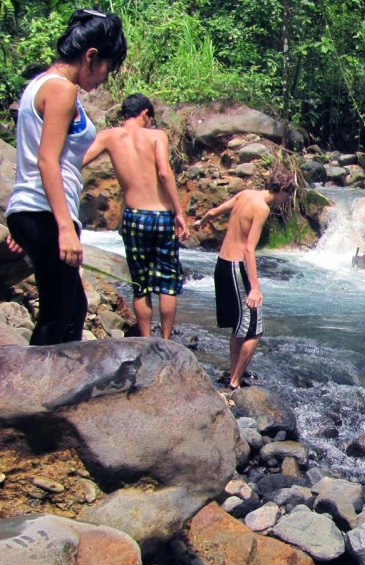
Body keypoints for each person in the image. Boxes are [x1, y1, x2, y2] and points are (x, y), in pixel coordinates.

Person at [4, 9, 127, 345]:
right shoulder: (62, 89)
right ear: (91, 56)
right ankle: (33, 393)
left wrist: (26, 222)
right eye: (107, 68)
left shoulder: (39, 86)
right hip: (45, 213)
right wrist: (61, 229)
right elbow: (46, 161)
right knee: (59, 313)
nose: (105, 78)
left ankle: (56, 390)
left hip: (36, 212)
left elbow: (41, 157)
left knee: (72, 309)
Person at [82, 93, 189, 339]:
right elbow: (164, 172)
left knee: (141, 284)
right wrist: (178, 212)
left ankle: (144, 339)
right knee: (167, 281)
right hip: (161, 216)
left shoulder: (107, 136)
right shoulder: (156, 136)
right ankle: (165, 341)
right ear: (145, 114)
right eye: (150, 119)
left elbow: (79, 161)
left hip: (133, 216)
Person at [192, 169, 296, 390]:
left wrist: (200, 223)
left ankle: (233, 375)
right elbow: (249, 249)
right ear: (283, 190)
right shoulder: (262, 208)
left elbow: (213, 212)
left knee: (240, 326)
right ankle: (234, 382)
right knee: (254, 330)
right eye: (288, 195)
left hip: (221, 265)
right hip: (237, 268)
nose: (286, 200)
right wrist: (255, 288)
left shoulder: (246, 194)